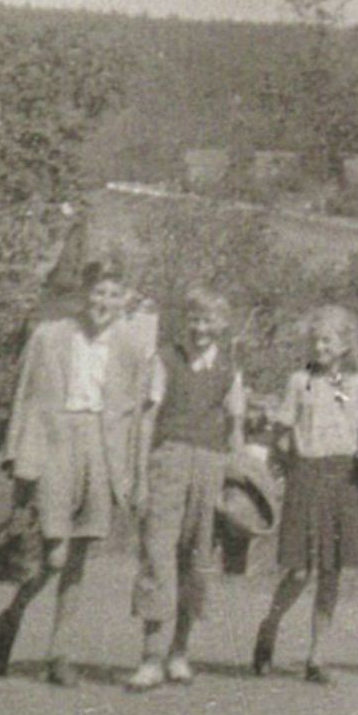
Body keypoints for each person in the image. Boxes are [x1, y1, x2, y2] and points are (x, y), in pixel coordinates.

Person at [0, 260, 136, 686]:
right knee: (54, 554)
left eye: (114, 294)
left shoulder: (130, 348)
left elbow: (132, 416)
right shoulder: (49, 336)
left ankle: (59, 652)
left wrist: (127, 474)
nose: (104, 302)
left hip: (101, 449)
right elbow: (25, 398)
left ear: (124, 300)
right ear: (84, 293)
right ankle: (13, 615)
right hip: (54, 445)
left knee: (79, 557)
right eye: (98, 292)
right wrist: (18, 458)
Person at [123, 284, 246, 691]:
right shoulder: (165, 359)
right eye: (194, 319)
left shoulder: (229, 369)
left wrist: (236, 482)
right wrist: (139, 478)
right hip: (169, 461)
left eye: (209, 320)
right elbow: (146, 421)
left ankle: (179, 652)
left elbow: (236, 429)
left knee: (197, 560)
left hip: (210, 465)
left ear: (221, 325)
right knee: (158, 556)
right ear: (184, 321)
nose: (200, 328)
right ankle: (150, 657)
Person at [252, 304, 358, 685]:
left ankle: (316, 657)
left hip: (344, 479)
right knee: (300, 570)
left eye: (328, 341)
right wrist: (281, 460)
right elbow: (282, 432)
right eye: (315, 340)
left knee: (331, 571)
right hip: (306, 475)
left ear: (345, 345)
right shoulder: (299, 382)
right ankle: (270, 625)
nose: (320, 347)